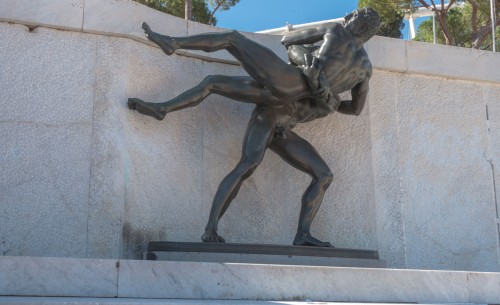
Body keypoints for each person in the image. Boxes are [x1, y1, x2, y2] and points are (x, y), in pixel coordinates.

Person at [128, 8, 380, 247]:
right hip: (275, 104)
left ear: (360, 23)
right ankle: (211, 227)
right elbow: (352, 106)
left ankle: (302, 234)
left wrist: (326, 96)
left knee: (322, 175)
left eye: (354, 15)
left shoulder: (337, 33)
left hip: (283, 110)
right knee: (219, 95)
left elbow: (289, 40)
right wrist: (320, 84)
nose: (348, 16)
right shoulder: (363, 68)